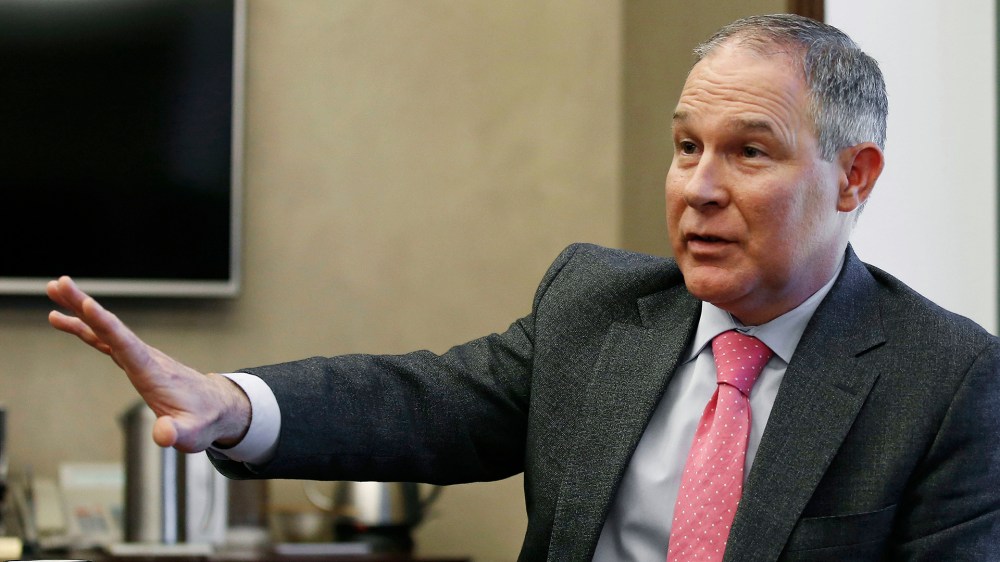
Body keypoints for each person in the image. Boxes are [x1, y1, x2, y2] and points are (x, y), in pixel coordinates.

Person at [47, 13, 1000, 561]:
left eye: (750, 152)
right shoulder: (597, 306)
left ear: (854, 176)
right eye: (684, 148)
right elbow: (426, 401)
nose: (699, 188)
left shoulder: (944, 377)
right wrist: (227, 403)